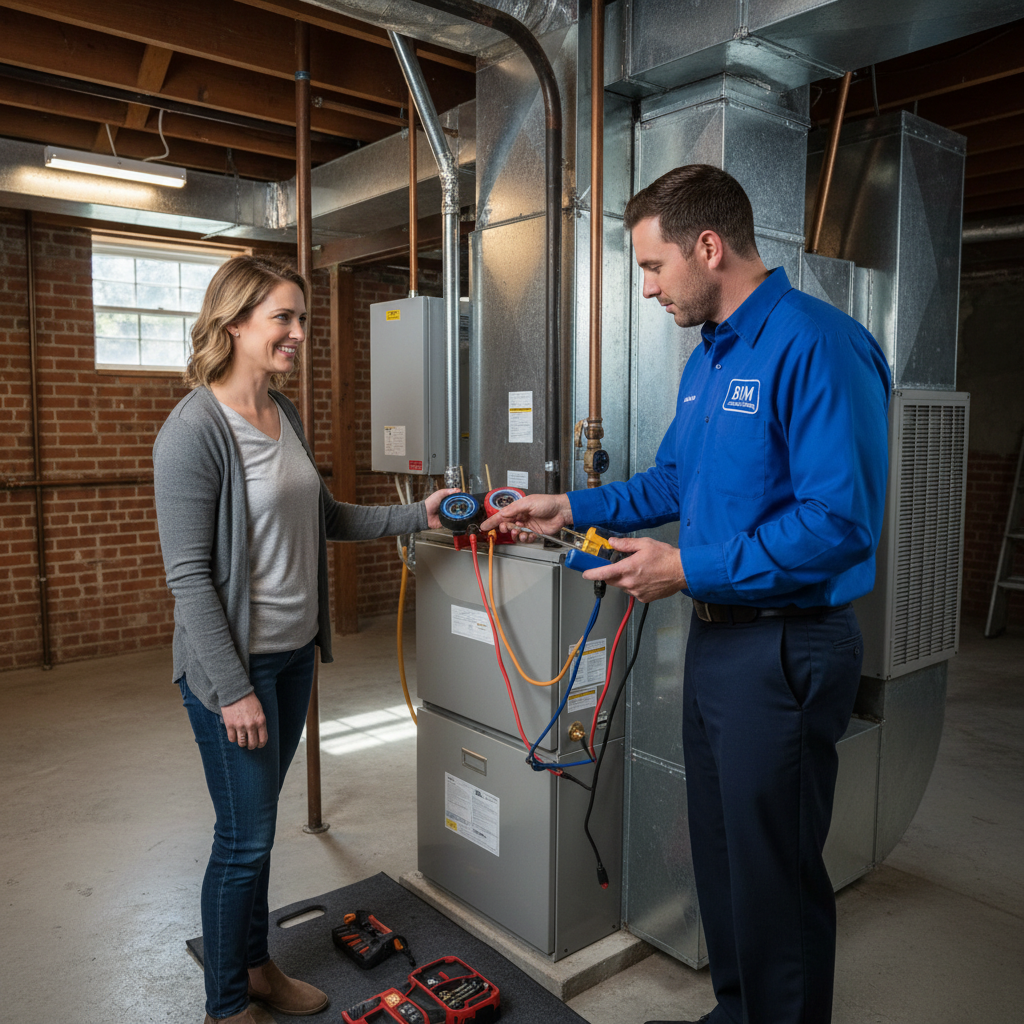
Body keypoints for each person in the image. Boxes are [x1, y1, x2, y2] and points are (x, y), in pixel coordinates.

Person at [480, 165, 891, 1024]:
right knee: (726, 858)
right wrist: (572, 505)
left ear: (709, 247)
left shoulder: (817, 343)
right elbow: (674, 479)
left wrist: (687, 569)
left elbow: (839, 522)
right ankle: (738, 1011)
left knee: (774, 873)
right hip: (718, 643)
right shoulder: (708, 359)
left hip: (789, 645)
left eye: (653, 267)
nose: (649, 289)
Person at [154, 255, 454, 1024]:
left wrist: (424, 514)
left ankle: (255, 967)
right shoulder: (192, 431)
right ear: (233, 325)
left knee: (254, 831)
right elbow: (188, 578)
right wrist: (232, 690)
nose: (297, 332)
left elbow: (329, 518)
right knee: (243, 840)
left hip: (290, 658)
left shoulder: (280, 413)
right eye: (282, 317)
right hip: (236, 672)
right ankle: (229, 1006)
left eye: (302, 318)